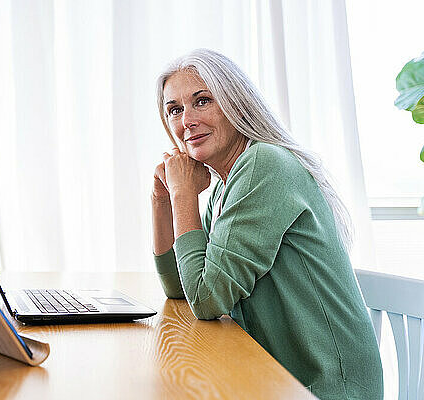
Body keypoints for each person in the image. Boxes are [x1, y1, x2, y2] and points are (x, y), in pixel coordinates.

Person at [151, 48, 383, 399]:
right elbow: (181, 288)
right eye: (175, 110)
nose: (186, 122)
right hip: (276, 380)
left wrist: (184, 197)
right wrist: (161, 201)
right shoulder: (225, 187)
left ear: (235, 103)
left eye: (202, 101)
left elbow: (206, 299)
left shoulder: (264, 165)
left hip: (327, 390)